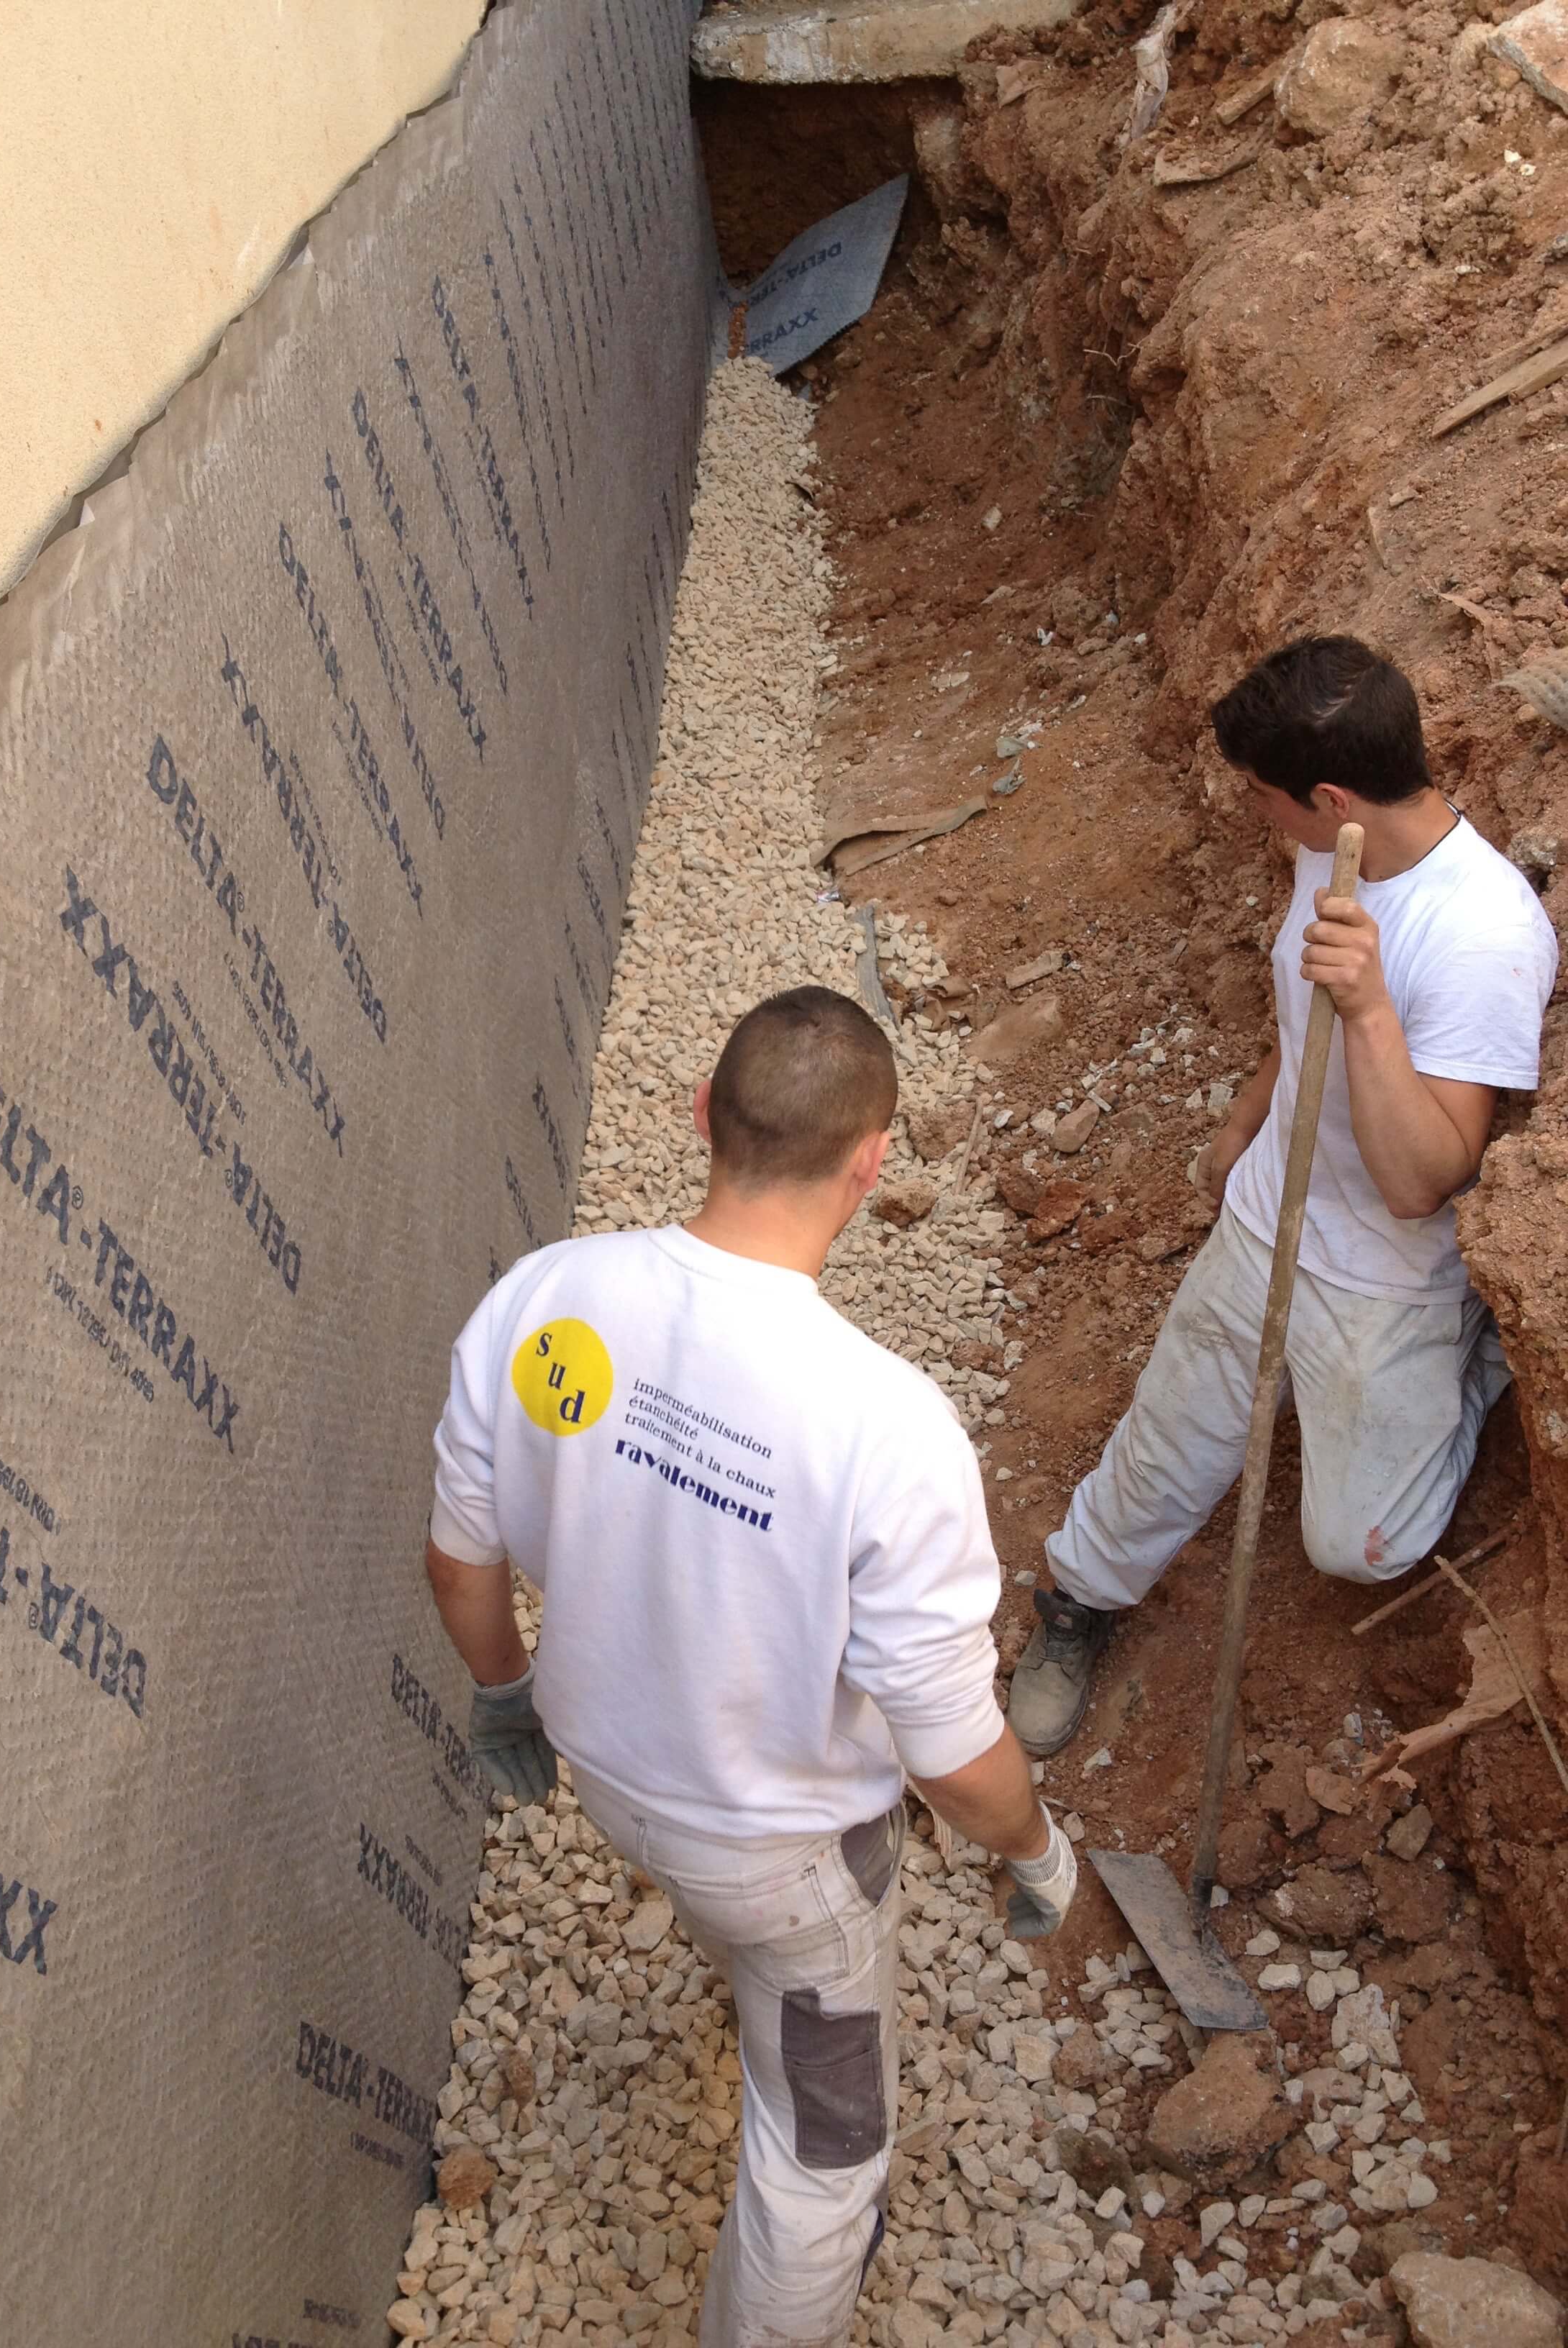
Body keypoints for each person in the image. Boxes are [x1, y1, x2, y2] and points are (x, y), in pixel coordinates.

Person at [426, 985, 1077, 2348]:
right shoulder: (887, 1427)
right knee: (826, 2150)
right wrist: (1034, 1853)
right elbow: (953, 1755)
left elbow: (461, 1566)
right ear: (873, 1161)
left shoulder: (545, 1297)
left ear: (702, 1118)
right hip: (782, 1860)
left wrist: (503, 1692)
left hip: (608, 1777)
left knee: (741, 1940)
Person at [1009, 634, 1559, 1759]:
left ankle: (1474, 1361)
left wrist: (1370, 1014)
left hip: (1389, 1273)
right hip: (1276, 1216)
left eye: (1261, 796)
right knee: (1167, 1442)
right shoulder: (1334, 852)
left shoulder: (1488, 936)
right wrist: (1247, 1117)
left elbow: (1423, 1181)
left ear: (1329, 794)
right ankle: (1081, 1598)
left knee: (1362, 1545)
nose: (1252, 814)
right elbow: (1293, 999)